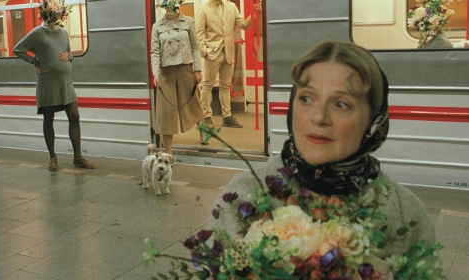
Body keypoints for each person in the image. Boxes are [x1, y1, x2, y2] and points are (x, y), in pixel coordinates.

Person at [207, 41, 438, 261]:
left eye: (341, 104)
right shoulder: (242, 197)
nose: (319, 117)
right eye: (306, 98)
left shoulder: (406, 215)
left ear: (374, 121)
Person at [12, 0, 95, 171]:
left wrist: (69, 56)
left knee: (74, 116)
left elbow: (69, 52)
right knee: (48, 119)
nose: (56, 15)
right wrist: (35, 61)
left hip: (65, 83)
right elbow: (17, 49)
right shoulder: (37, 33)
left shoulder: (63, 33)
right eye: (54, 12)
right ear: (47, 13)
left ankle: (78, 157)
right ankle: (53, 158)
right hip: (47, 83)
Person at [195, 0, 259, 129]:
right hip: (212, 53)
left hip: (229, 52)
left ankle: (227, 116)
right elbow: (199, 34)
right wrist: (205, 52)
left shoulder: (232, 6)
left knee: (225, 85)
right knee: (208, 85)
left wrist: (254, 14)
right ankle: (207, 117)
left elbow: (243, 25)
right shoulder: (203, 9)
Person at [150, 0, 204, 155]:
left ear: (177, 6)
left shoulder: (188, 22)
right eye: (166, 8)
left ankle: (203, 132)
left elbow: (195, 47)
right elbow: (155, 52)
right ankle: (168, 152)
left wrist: (198, 69)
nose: (169, 11)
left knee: (194, 104)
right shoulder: (157, 26)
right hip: (165, 73)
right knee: (166, 112)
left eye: (171, 7)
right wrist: (156, 73)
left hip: (185, 68)